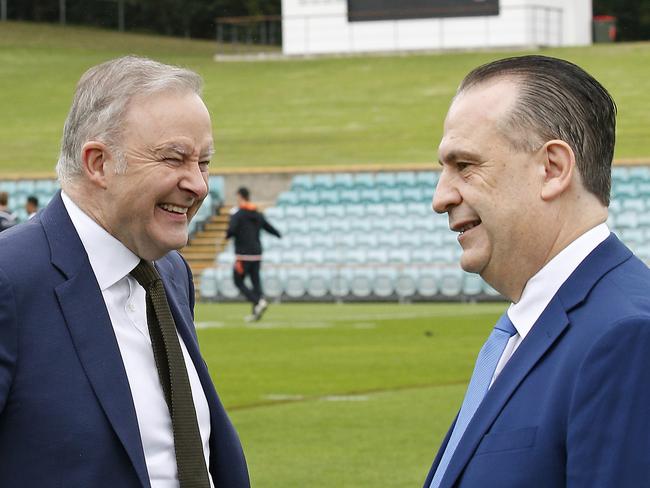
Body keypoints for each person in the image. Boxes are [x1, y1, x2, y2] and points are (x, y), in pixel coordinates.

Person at [0, 56, 249, 487]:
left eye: (203, 163)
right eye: (175, 159)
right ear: (98, 163)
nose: (199, 185)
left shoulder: (170, 273)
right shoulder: (11, 280)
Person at [424, 55, 650, 488]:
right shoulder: (528, 327)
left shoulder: (627, 338)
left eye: (465, 165)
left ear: (552, 169)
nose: (441, 197)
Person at [226, 186, 281, 322]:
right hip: (257, 253)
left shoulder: (238, 214)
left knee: (238, 281)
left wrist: (228, 234)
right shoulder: (257, 213)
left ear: (239, 196)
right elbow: (268, 227)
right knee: (256, 282)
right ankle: (256, 312)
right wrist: (278, 234)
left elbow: (231, 231)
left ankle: (258, 301)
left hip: (243, 255)